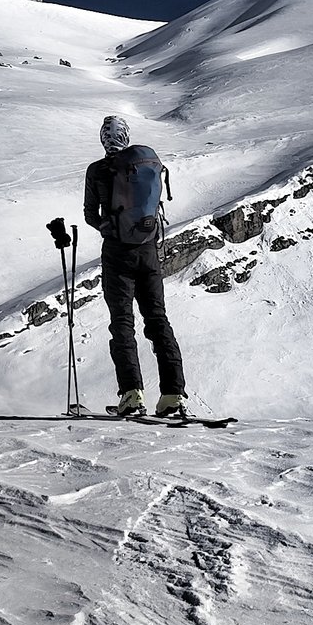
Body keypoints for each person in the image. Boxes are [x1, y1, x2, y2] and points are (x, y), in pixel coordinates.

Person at [82, 114, 187, 418]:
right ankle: (173, 396)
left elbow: (90, 214)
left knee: (123, 322)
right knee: (157, 320)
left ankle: (132, 395)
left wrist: (107, 226)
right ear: (126, 138)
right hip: (149, 252)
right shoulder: (146, 165)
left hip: (117, 253)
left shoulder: (98, 170)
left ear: (103, 139)